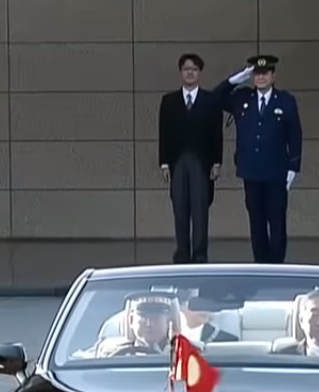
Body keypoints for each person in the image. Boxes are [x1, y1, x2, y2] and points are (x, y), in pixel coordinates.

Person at [213, 55, 303, 264]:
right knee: (257, 221)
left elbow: (295, 135)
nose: (260, 77)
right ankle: (261, 264)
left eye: (265, 73)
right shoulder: (242, 98)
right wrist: (235, 80)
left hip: (276, 171)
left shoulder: (285, 101)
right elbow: (214, 98)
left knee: (277, 220)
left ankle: (277, 265)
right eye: (256, 74)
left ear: (273, 76)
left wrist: (293, 167)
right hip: (251, 171)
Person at [159, 54, 223, 264]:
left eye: (194, 69)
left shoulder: (211, 100)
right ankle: (182, 252)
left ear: (199, 73)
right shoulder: (169, 101)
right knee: (180, 208)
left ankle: (200, 252)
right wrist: (164, 162)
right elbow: (164, 133)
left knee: (200, 208)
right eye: (186, 69)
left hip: (202, 162)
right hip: (177, 162)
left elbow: (217, 133)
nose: (190, 72)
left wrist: (216, 162)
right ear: (181, 72)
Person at [98, 294, 178, 356]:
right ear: (131, 320)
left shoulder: (181, 353)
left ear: (168, 322)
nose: (148, 323)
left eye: (155, 318)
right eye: (143, 317)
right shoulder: (109, 353)